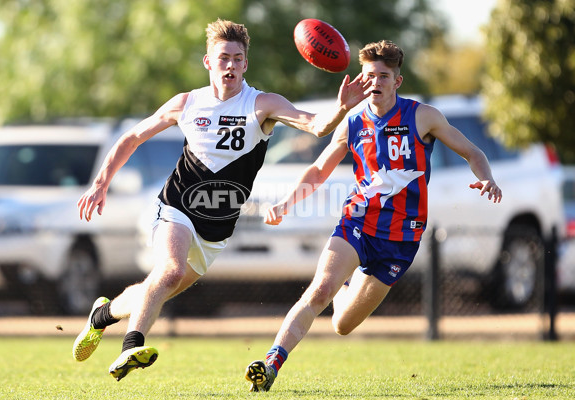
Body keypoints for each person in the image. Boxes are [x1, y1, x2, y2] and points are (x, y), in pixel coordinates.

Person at [72, 19, 371, 382]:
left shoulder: (263, 104)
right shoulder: (187, 103)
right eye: (223, 57)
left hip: (217, 229)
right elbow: (132, 137)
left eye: (238, 58)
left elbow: (316, 126)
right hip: (176, 206)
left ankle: (101, 316)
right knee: (170, 271)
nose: (230, 65)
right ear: (208, 62)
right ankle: (130, 349)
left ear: (246, 64)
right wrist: (101, 183)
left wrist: (341, 108)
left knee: (156, 288)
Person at [244, 40, 502, 392]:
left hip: (401, 241)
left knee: (342, 325)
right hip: (358, 224)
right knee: (319, 291)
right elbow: (319, 170)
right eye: (369, 76)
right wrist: (286, 204)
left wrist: (486, 177)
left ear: (397, 81)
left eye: (383, 75)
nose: (375, 82)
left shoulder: (422, 116)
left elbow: (472, 152)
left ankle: (344, 286)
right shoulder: (352, 121)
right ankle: (272, 363)